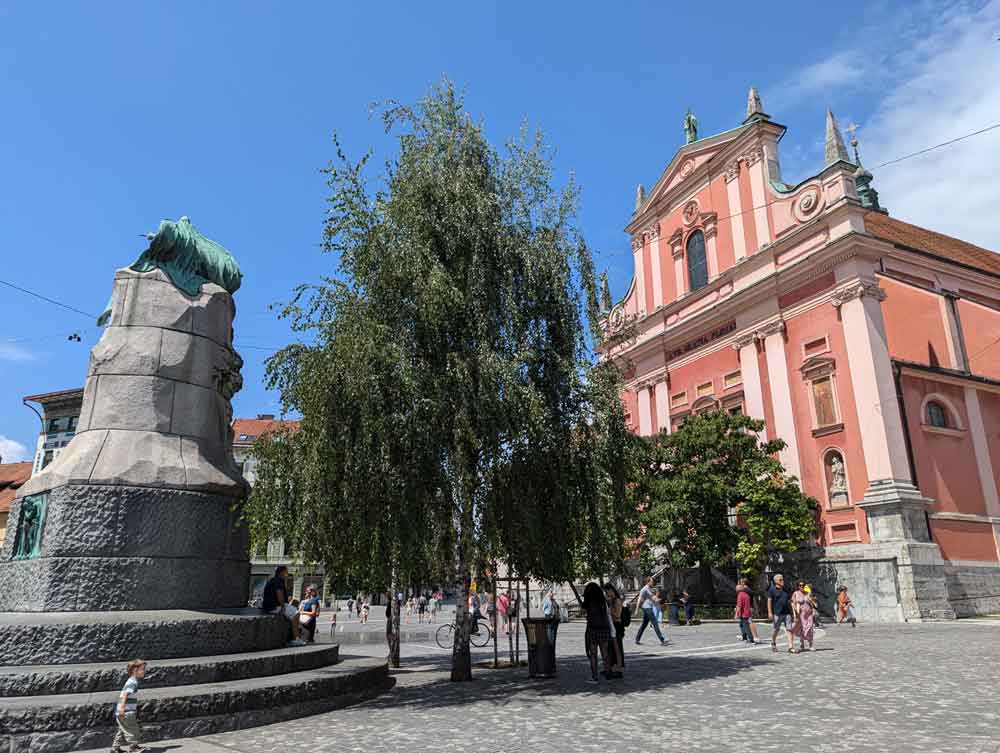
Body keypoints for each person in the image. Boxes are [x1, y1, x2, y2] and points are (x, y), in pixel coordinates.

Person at [261, 565, 306, 647]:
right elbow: (279, 594)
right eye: (286, 572)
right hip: (275, 606)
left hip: (268, 606)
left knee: (291, 613)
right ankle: (296, 639)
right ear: (282, 572)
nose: (287, 573)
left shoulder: (272, 580)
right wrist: (283, 606)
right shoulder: (279, 580)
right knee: (296, 613)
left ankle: (291, 636)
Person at [111, 658, 146, 753]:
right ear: (135, 670)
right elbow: (125, 694)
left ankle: (115, 749)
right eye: (142, 669)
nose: (144, 671)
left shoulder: (131, 680)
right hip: (126, 711)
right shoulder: (133, 682)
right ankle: (133, 747)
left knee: (122, 730)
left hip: (122, 711)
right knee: (132, 729)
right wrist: (122, 708)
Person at [582, 582, 612, 684]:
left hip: (593, 629)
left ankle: (594, 676)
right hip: (604, 628)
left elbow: (587, 613)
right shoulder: (602, 601)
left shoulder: (589, 603)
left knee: (593, 654)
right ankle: (608, 674)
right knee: (605, 653)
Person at [634, 576, 668, 646]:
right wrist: (636, 609)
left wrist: (660, 600)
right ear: (648, 582)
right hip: (647, 608)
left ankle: (637, 639)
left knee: (644, 624)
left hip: (649, 607)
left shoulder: (650, 589)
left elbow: (653, 598)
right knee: (655, 623)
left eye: (653, 582)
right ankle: (662, 640)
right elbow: (639, 599)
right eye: (652, 582)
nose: (653, 583)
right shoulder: (644, 589)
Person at [767, 573, 796, 653]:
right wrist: (770, 612)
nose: (782, 581)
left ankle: (791, 647)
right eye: (780, 580)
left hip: (787, 613)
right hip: (777, 613)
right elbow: (769, 601)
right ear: (776, 581)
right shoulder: (771, 590)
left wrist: (793, 613)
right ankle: (773, 642)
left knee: (789, 630)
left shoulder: (786, 589)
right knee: (776, 629)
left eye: (783, 579)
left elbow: (790, 601)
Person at [603, 582, 625, 678]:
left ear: (612, 590)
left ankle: (619, 669)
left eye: (607, 592)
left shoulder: (617, 601)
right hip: (611, 625)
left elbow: (618, 615)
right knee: (611, 648)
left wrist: (609, 611)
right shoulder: (611, 601)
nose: (607, 594)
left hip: (617, 625)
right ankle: (611, 667)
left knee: (618, 648)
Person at [792, 581, 815, 651]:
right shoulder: (795, 593)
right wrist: (795, 615)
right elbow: (793, 604)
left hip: (809, 613)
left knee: (810, 628)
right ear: (798, 586)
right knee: (802, 628)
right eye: (800, 585)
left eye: (803, 585)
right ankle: (802, 644)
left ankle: (810, 645)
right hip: (801, 614)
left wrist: (811, 602)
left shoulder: (808, 593)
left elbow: (812, 604)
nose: (802, 587)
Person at [735, 578, 756, 643]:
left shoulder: (741, 594)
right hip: (747, 611)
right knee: (742, 625)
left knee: (746, 625)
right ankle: (745, 637)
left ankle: (751, 638)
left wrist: (736, 613)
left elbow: (739, 605)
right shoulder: (746, 593)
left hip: (744, 612)